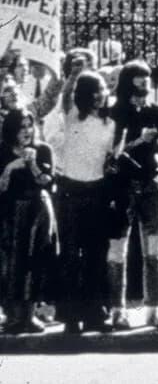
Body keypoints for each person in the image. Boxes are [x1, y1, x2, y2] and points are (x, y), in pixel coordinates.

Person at [45, 67, 117, 333]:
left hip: (97, 191)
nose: (101, 96)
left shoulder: (110, 124)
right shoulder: (72, 118)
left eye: (103, 90)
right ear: (84, 95)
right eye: (94, 91)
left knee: (96, 255)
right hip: (70, 191)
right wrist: (72, 75)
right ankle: (71, 317)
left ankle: (96, 313)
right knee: (71, 255)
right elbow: (64, 99)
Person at [107, 61, 158, 327]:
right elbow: (111, 152)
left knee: (154, 249)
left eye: (147, 77)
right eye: (138, 78)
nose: (145, 82)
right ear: (127, 81)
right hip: (123, 185)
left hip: (152, 183)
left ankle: (154, 307)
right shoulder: (115, 111)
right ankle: (116, 310)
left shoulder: (155, 110)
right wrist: (138, 141)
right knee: (117, 249)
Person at [1, 108, 56, 333]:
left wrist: (32, 164)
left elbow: (47, 182)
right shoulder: (3, 151)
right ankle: (13, 315)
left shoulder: (43, 149)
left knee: (36, 260)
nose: (26, 131)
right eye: (21, 127)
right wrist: (10, 167)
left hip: (37, 208)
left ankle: (30, 314)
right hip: (11, 210)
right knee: (12, 263)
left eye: (29, 126)